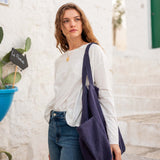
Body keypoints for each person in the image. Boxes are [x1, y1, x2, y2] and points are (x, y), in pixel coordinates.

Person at [44, 2, 121, 160]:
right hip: (54, 126)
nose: (72, 23)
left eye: (76, 19)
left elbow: (105, 95)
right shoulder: (60, 59)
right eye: (66, 20)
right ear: (60, 27)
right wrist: (50, 113)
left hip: (74, 127)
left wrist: (113, 139)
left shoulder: (93, 51)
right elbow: (61, 93)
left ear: (82, 22)